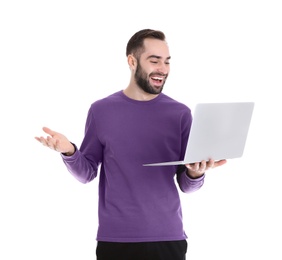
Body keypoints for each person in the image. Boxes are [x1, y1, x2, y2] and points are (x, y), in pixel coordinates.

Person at [35, 29, 227, 260]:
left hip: (168, 239)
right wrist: (69, 151)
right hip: (116, 241)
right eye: (154, 61)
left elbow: (187, 185)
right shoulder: (102, 111)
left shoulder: (180, 114)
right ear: (132, 61)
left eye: (167, 62)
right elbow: (86, 173)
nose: (163, 69)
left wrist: (196, 174)